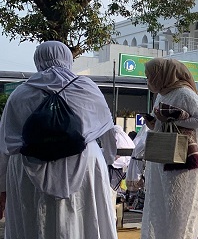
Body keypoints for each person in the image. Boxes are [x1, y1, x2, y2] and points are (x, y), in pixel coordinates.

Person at [0, 41, 118, 238]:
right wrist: (109, 158)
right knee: (84, 219)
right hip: (84, 164)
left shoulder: (20, 93)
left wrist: (2, 186)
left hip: (27, 168)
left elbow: (4, 142)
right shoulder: (86, 88)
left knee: (32, 221)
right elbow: (108, 130)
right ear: (68, 58)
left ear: (38, 60)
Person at [141, 58, 198, 239]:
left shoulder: (184, 93)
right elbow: (162, 122)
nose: (148, 81)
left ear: (162, 75)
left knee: (177, 206)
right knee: (161, 203)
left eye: (150, 77)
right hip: (162, 156)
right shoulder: (163, 94)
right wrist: (154, 123)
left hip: (180, 160)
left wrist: (172, 120)